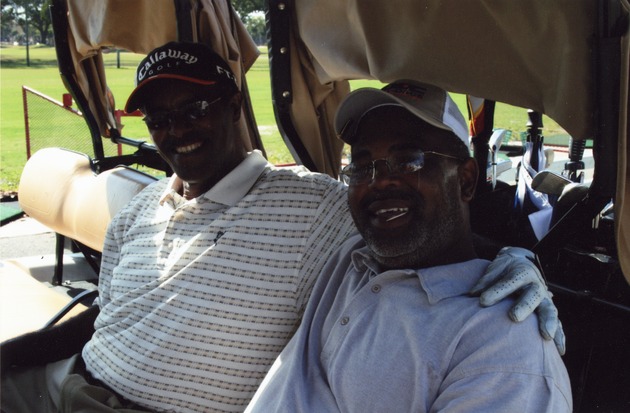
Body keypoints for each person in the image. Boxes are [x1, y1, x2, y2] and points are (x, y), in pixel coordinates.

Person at [1, 43, 561, 413]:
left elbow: (418, 227)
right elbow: (110, 310)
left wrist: (514, 261)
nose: (177, 130)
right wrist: (16, 352)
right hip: (69, 379)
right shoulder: (143, 205)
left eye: (194, 108)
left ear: (231, 107)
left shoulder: (314, 212)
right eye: (161, 118)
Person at [246, 81, 572, 412]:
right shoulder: (352, 255)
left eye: (409, 160)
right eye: (361, 166)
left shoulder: (501, 346)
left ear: (466, 180)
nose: (379, 181)